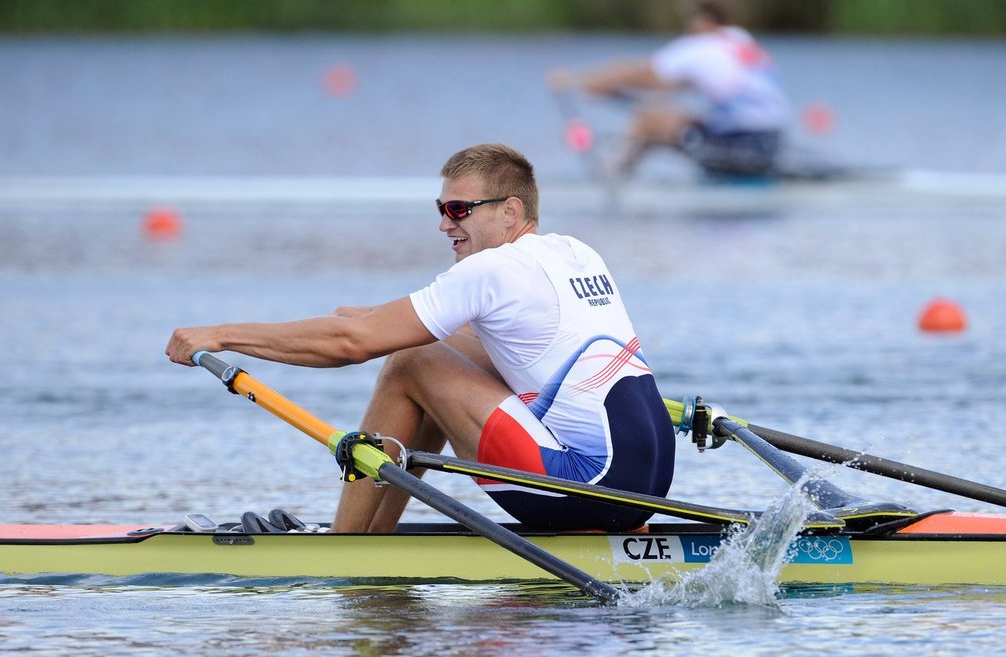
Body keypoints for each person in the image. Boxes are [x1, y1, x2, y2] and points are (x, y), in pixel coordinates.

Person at [165, 143, 675, 533]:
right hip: (648, 488)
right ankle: (368, 537)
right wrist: (385, 321)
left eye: (459, 210)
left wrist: (221, 334)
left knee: (411, 365)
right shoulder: (575, 253)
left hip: (586, 485)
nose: (443, 224)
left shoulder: (492, 269)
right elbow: (503, 354)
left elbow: (350, 344)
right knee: (424, 356)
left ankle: (349, 545)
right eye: (441, 208)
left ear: (510, 212)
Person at [549, 0, 789, 178]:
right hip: (772, 141)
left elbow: (642, 73)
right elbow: (671, 85)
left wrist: (576, 80)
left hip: (742, 144)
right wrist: (613, 90)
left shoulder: (700, 46)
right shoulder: (740, 39)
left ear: (701, 18)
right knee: (666, 114)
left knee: (649, 121)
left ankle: (609, 184)